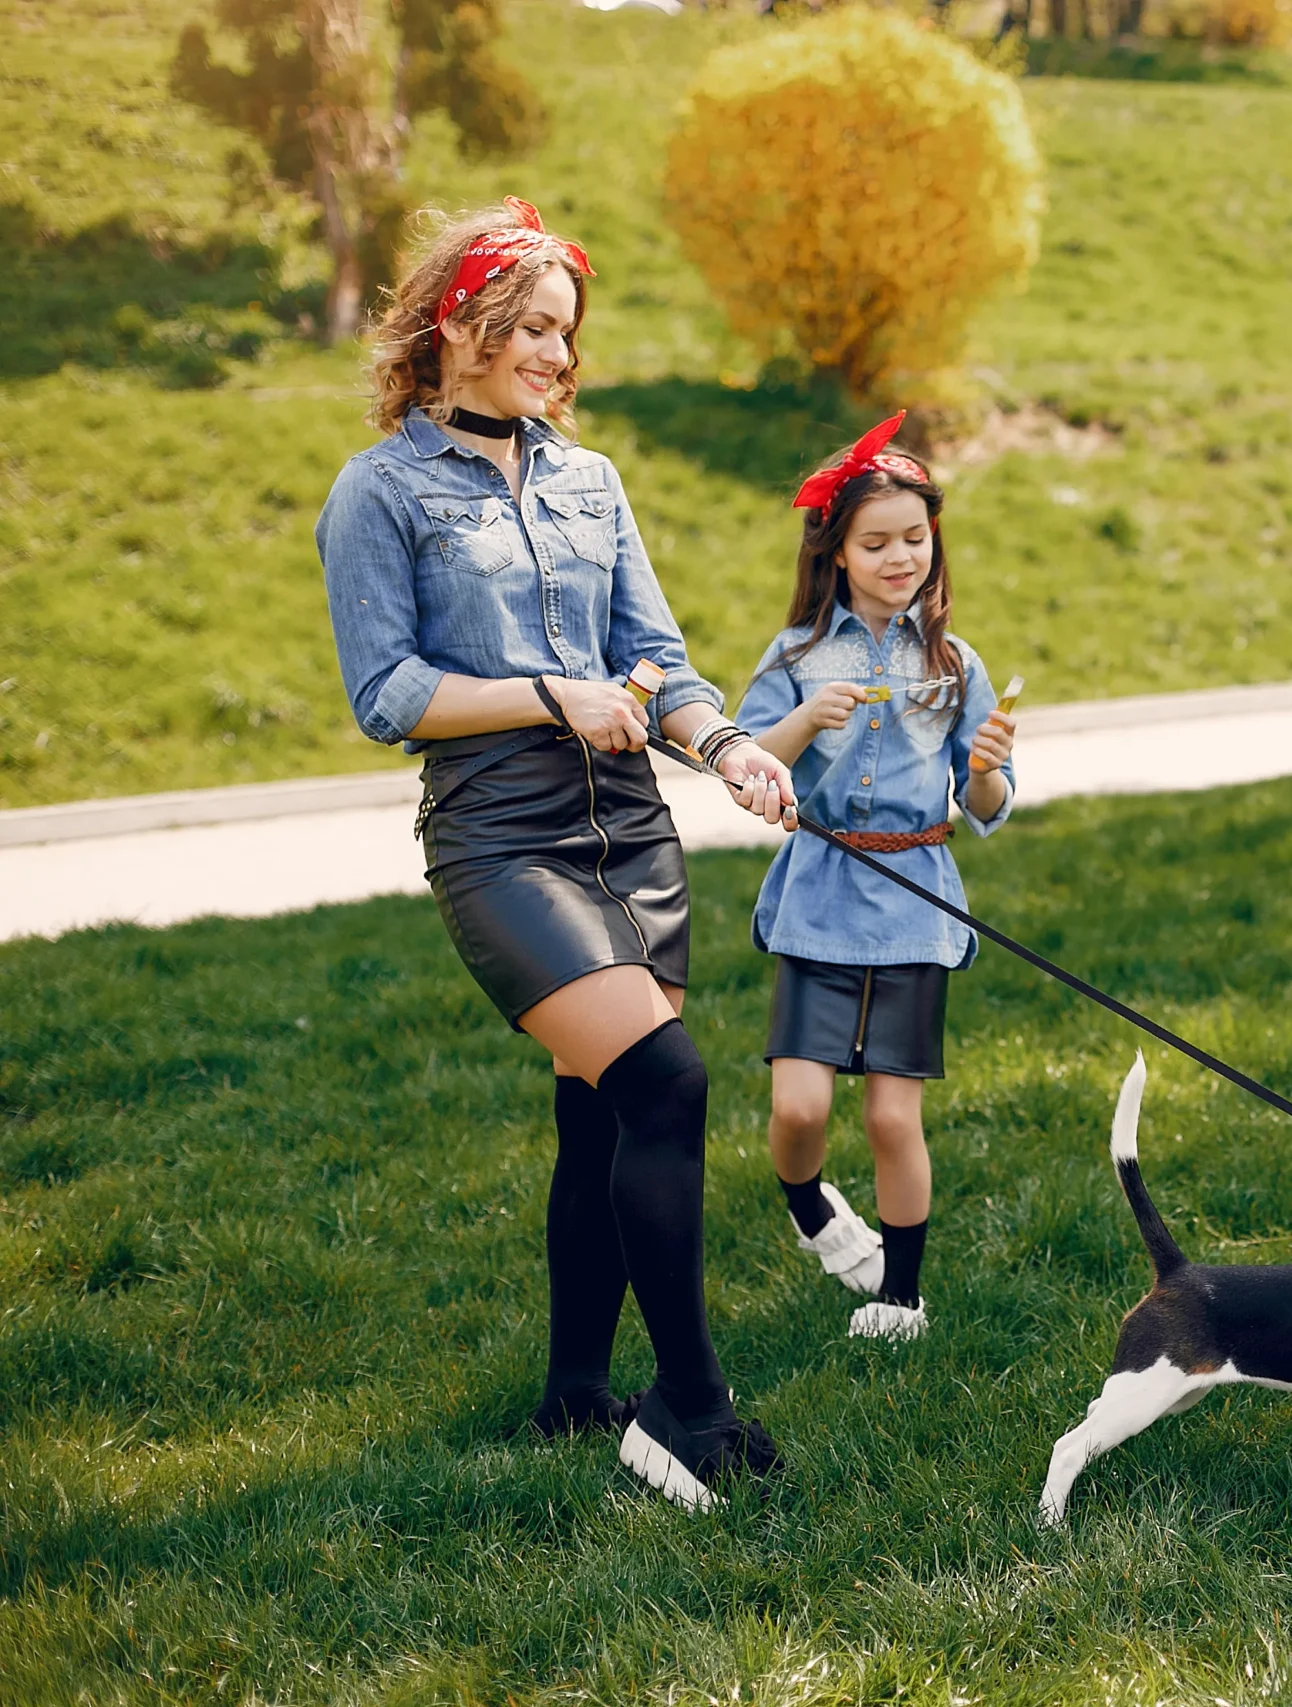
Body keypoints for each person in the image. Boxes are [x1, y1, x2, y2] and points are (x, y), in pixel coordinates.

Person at [316, 198, 798, 1512]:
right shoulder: (381, 492)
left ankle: (576, 1387)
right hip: (502, 839)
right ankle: (690, 1403)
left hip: (628, 830)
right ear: (454, 325)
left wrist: (729, 747)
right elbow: (388, 692)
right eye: (529, 326)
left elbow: (661, 659)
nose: (551, 355)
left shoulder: (589, 478)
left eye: (563, 334)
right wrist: (545, 691)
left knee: (601, 1117)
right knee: (668, 1082)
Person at [736, 414, 1018, 1345]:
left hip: (915, 905)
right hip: (820, 891)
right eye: (877, 541)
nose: (901, 557)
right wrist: (801, 723)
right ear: (837, 551)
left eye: (915, 539)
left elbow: (987, 802)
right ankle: (806, 1198)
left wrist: (985, 764)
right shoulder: (792, 656)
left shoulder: (953, 663)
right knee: (800, 1104)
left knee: (895, 1117)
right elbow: (743, 765)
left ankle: (901, 1297)